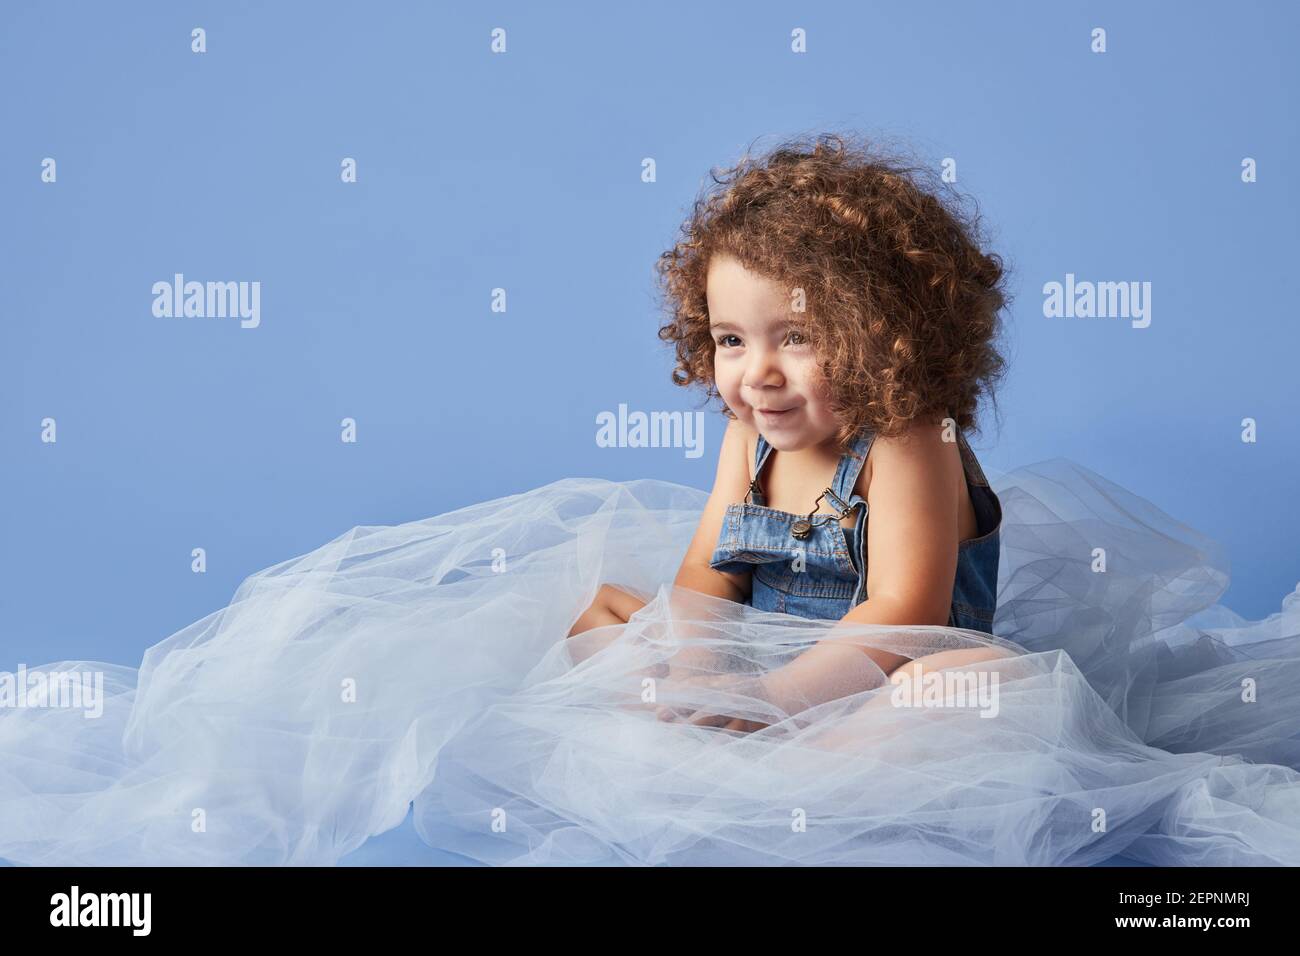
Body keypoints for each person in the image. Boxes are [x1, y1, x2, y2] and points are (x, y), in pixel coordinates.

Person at [4, 134, 1300, 867]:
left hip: (879, 673)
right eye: (731, 342)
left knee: (950, 705)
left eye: (796, 338)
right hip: (767, 670)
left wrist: (764, 708)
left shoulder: (907, 443)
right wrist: (677, 664)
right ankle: (701, 739)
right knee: (594, 619)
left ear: (893, 331)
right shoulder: (749, 437)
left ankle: (782, 768)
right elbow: (703, 582)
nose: (760, 374)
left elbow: (909, 615)